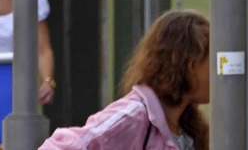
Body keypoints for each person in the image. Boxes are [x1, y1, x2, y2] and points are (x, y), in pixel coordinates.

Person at [39, 9, 209, 150]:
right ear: (190, 64)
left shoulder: (188, 126)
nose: (217, 75)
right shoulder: (134, 115)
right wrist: (48, 81)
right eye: (211, 63)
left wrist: (48, 82)